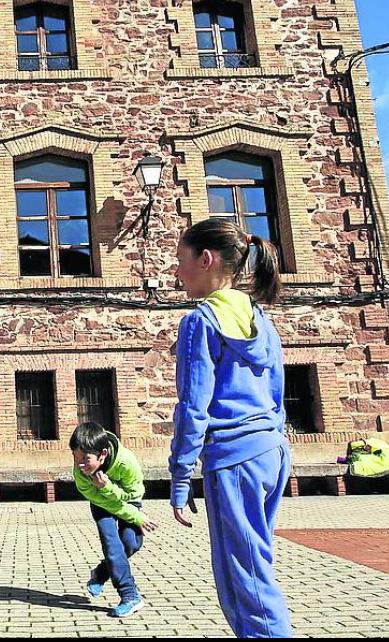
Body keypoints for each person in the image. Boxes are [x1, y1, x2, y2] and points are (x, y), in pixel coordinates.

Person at [168, 218, 293, 638]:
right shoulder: (260, 318)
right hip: (272, 453)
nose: (176, 272)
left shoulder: (200, 321)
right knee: (258, 562)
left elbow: (192, 407)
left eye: (181, 261)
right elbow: (277, 393)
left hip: (235, 459)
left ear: (206, 259)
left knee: (245, 581)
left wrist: (180, 478)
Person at [69, 421, 158, 618]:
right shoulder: (81, 474)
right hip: (102, 505)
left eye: (85, 458)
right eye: (76, 457)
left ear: (103, 454)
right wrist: (106, 491)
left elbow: (134, 493)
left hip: (130, 501)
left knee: (131, 543)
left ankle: (101, 573)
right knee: (112, 546)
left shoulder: (126, 462)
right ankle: (130, 595)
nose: (80, 464)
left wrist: (109, 488)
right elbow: (109, 505)